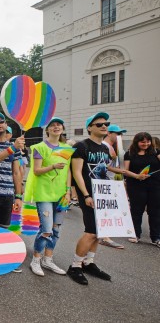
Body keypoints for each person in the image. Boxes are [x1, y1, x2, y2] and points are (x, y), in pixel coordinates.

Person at [67, 112, 120, 285]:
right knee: (90, 231)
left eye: (106, 124)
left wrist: (127, 176)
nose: (104, 126)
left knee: (99, 232)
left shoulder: (105, 149)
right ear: (90, 128)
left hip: (103, 194)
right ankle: (75, 266)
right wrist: (86, 195)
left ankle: (89, 262)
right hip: (89, 194)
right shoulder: (82, 146)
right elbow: (76, 172)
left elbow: (105, 170)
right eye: (99, 124)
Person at [24, 117, 71, 276]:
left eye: (59, 124)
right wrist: (52, 166)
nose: (56, 127)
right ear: (48, 130)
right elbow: (36, 170)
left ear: (62, 129)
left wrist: (69, 191)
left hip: (61, 194)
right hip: (44, 193)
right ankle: (36, 259)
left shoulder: (67, 148)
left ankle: (48, 259)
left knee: (56, 229)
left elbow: (68, 172)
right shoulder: (40, 147)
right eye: (53, 125)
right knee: (46, 229)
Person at [123, 132, 160, 246]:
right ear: (136, 142)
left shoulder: (156, 152)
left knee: (155, 211)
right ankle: (135, 234)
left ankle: (156, 237)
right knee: (136, 211)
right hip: (136, 185)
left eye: (148, 141)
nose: (146, 144)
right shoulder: (129, 154)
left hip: (155, 186)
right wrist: (137, 176)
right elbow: (125, 171)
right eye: (142, 142)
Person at [98, 124, 128, 249]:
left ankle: (104, 236)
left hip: (110, 181)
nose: (119, 136)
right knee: (105, 210)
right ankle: (104, 237)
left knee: (108, 210)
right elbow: (102, 166)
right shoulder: (105, 146)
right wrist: (119, 171)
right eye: (117, 133)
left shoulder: (113, 147)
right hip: (103, 182)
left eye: (120, 134)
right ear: (109, 133)